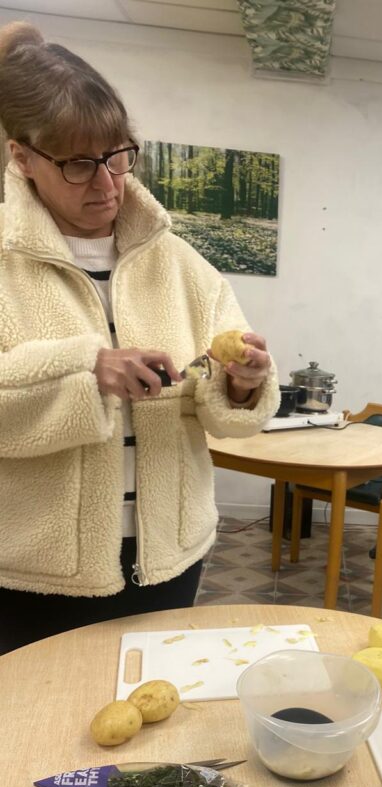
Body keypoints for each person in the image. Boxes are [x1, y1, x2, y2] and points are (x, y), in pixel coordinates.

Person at [0, 23, 279, 654]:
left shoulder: (180, 264)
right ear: (23, 158)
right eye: (77, 164)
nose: (106, 184)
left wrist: (241, 383)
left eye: (118, 155)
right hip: (31, 572)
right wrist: (84, 372)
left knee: (147, 725)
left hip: (167, 555)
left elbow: (229, 411)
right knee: (37, 738)